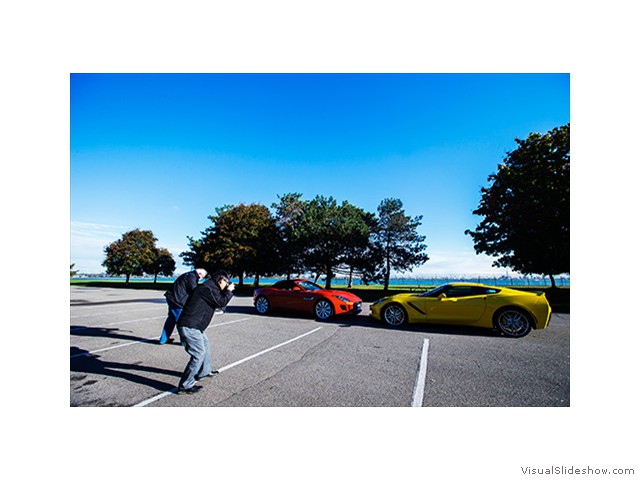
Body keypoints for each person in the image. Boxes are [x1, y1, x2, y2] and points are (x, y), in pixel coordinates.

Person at [176, 270, 235, 394]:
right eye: (227, 282)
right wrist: (229, 291)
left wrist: (226, 291)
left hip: (196, 327)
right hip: (190, 326)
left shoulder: (210, 288)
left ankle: (204, 371)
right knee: (198, 354)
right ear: (221, 280)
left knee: (206, 346)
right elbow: (221, 302)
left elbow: (219, 301)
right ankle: (185, 385)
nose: (228, 284)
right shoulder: (206, 289)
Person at [159, 268, 207, 344]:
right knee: (181, 322)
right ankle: (185, 341)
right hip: (177, 301)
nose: (201, 279)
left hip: (172, 298)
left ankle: (163, 339)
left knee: (171, 320)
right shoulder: (192, 276)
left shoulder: (188, 275)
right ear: (200, 274)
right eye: (202, 277)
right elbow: (193, 290)